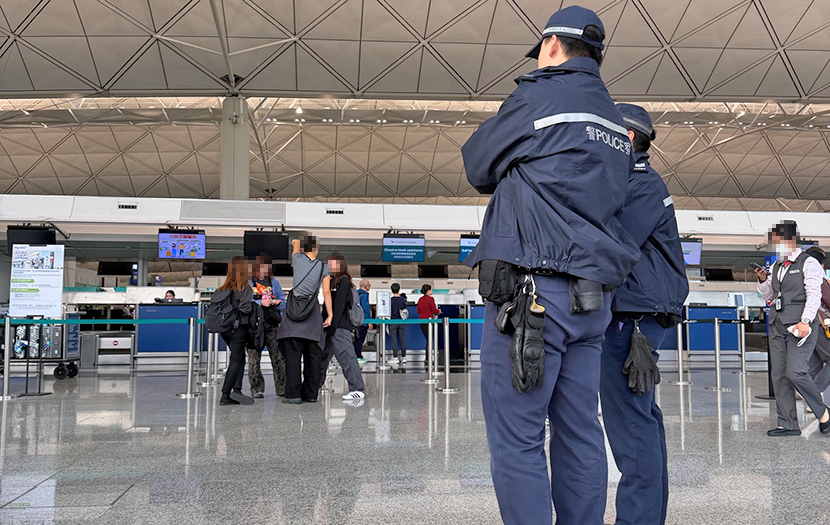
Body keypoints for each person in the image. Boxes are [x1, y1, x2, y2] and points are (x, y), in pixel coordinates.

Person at [461, 6, 640, 524]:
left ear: (552, 46)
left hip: (532, 299)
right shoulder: (615, 123)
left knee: (518, 435)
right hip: (591, 301)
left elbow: (477, 164)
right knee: (580, 431)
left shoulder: (538, 96)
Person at [600, 104, 689, 525]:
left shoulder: (641, 185)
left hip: (632, 319)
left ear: (629, 138)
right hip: (636, 315)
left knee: (631, 426)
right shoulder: (633, 182)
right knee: (642, 420)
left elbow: (611, 244)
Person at [755, 221, 830, 436]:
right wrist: (763, 281)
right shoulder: (777, 266)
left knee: (795, 372)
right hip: (777, 325)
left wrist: (805, 321)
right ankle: (787, 423)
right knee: (779, 375)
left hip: (800, 326)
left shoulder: (809, 263)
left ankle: (823, 412)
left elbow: (814, 294)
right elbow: (770, 296)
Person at [277, 236, 332, 404]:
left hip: (293, 317)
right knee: (313, 356)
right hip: (312, 315)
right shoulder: (323, 267)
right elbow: (326, 293)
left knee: (293, 357)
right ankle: (310, 394)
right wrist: (330, 315)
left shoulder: (297, 259)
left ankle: (293, 395)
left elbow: (295, 246)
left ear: (303, 248)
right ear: (317, 248)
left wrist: (296, 243)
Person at [319, 253, 366, 402]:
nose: (329, 266)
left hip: (339, 327)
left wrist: (332, 325)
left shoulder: (343, 280)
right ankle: (314, 388)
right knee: (322, 358)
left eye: (332, 263)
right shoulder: (332, 281)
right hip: (330, 327)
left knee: (347, 357)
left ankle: (357, 389)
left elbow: (339, 306)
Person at [246, 255, 287, 398]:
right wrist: (260, 303)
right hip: (255, 325)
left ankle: (282, 388)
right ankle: (257, 389)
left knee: (278, 356)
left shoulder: (273, 282)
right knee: (254, 357)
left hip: (272, 323)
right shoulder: (249, 282)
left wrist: (277, 302)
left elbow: (283, 301)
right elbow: (246, 302)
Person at [218, 257, 254, 406]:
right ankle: (226, 395)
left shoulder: (223, 288)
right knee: (236, 359)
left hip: (225, 329)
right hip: (238, 328)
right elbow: (246, 308)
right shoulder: (244, 287)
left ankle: (237, 390)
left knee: (238, 357)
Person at [806, 246, 830, 406]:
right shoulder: (817, 277)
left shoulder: (799, 277)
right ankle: (813, 393)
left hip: (805, 323)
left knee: (814, 364)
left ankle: (812, 403)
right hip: (820, 324)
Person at [388, 283, 408, 365]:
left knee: (394, 340)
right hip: (401, 321)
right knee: (402, 339)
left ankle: (395, 357)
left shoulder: (390, 300)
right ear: (399, 289)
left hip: (392, 321)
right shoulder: (402, 300)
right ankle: (404, 357)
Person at [354, 279, 372, 365]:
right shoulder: (364, 295)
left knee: (357, 339)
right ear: (366, 286)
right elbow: (365, 310)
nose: (370, 286)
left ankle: (357, 355)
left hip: (356, 320)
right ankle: (357, 356)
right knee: (360, 340)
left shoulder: (356, 294)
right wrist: (369, 322)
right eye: (369, 285)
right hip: (363, 321)